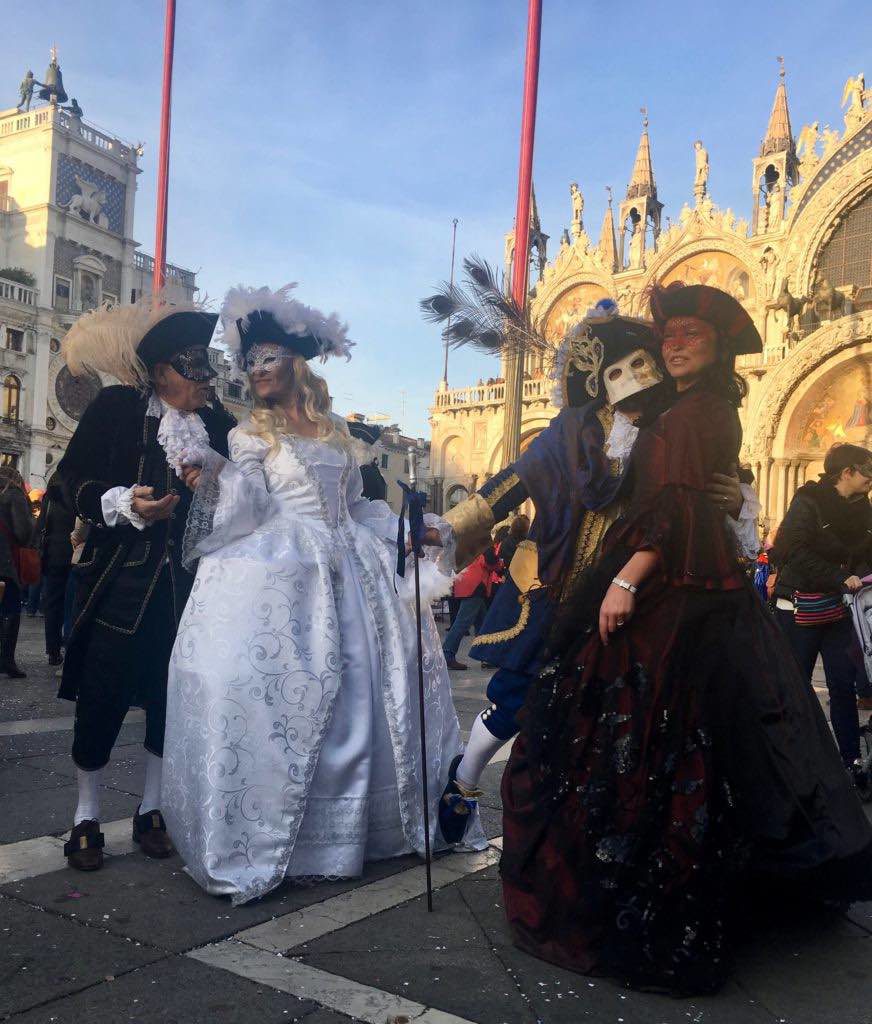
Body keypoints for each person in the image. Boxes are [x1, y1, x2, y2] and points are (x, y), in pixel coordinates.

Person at [500, 283, 872, 995]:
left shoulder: (691, 416)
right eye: (666, 336)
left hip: (672, 595)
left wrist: (628, 580)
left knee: (648, 737)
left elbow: (671, 509)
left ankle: (641, 896)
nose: (673, 344)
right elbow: (681, 496)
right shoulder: (692, 409)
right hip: (706, 593)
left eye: (690, 335)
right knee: (705, 737)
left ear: (718, 345)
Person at [161, 284, 484, 904]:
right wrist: (215, 476)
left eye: (268, 358)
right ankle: (283, 836)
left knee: (367, 691)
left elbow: (359, 507)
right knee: (287, 691)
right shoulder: (249, 437)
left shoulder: (339, 433)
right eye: (249, 361)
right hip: (282, 568)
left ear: (297, 364)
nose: (256, 371)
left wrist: (411, 534)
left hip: (354, 570)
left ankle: (361, 832)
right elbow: (249, 509)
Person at [436, 303, 754, 844]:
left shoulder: (670, 425)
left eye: (638, 365)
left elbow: (699, 489)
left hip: (631, 594)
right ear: (595, 381)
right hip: (558, 587)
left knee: (601, 716)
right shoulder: (570, 432)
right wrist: (446, 527)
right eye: (614, 372)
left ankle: (578, 831)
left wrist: (734, 497)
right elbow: (514, 482)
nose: (629, 379)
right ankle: (465, 778)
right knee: (515, 696)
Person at [57, 300, 236, 871]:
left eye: (207, 376)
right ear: (161, 372)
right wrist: (120, 502)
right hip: (119, 582)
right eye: (193, 374)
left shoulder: (219, 426)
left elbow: (242, 498)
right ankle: (86, 814)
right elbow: (71, 483)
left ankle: (151, 809)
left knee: (170, 700)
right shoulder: (116, 409)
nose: (204, 387)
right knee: (101, 697)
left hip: (190, 592)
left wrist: (215, 479)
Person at [771, 443, 872, 772]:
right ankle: (790, 756)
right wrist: (840, 576)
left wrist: (857, 575)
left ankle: (850, 759)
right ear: (847, 472)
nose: (871, 478)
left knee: (843, 684)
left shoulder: (862, 507)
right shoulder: (808, 501)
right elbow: (792, 550)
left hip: (839, 607)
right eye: (867, 470)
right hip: (800, 606)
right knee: (795, 682)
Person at [34, 472, 76, 665]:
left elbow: (40, 526)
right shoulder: (77, 493)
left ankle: (52, 650)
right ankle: (70, 645)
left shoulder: (50, 497)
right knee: (73, 602)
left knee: (53, 602)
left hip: (52, 554)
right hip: (74, 552)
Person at [441, 543, 500, 670]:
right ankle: (447, 654)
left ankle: (486, 656)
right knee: (463, 623)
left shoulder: (468, 540)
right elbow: (489, 563)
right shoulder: (483, 542)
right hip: (476, 585)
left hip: (465, 581)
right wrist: (500, 564)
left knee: (482, 622)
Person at [0, 466, 34, 677]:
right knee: (11, 607)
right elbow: (23, 532)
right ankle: (6, 659)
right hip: (5, 561)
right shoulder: (13, 494)